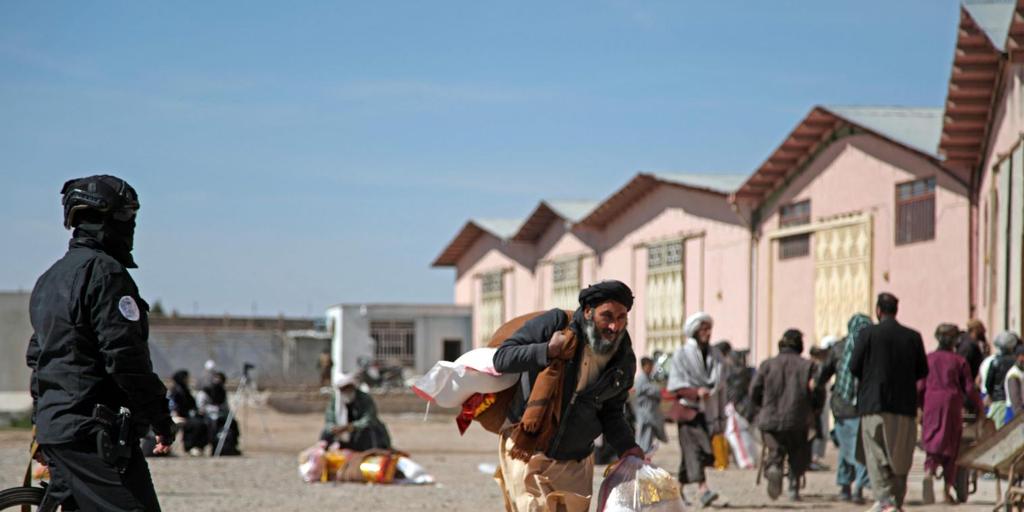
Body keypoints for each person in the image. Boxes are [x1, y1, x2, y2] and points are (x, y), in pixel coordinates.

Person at [25, 175, 173, 511]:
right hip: (93, 435)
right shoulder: (106, 274)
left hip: (58, 429)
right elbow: (124, 358)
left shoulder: (49, 279)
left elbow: (38, 360)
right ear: (109, 219)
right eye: (127, 217)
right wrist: (159, 416)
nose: (131, 227)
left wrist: (42, 423)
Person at [493, 280, 640, 512]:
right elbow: (502, 358)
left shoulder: (622, 359)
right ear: (589, 311)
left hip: (576, 460)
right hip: (528, 447)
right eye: (607, 316)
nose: (614, 326)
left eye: (622, 317)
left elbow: (612, 411)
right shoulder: (556, 323)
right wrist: (546, 350)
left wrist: (627, 447)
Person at [849, 292, 928, 512]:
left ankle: (884, 500)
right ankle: (897, 500)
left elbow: (854, 366)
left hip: (873, 404)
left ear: (878, 311)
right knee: (901, 455)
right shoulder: (913, 336)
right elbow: (922, 370)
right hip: (904, 406)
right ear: (896, 310)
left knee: (875, 453)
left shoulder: (867, 334)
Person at [917, 323, 983, 505]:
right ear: (954, 340)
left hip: (931, 402)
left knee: (932, 441)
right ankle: (946, 491)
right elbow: (969, 388)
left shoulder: (928, 359)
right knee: (951, 447)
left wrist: (919, 406)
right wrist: (979, 407)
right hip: (951, 403)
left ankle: (929, 472)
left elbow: (920, 385)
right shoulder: (959, 361)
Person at [750, 329, 817, 501]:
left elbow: (754, 390)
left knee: (775, 450)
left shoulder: (767, 364)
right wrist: (814, 410)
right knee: (797, 452)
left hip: (770, 418)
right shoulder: (808, 366)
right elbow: (817, 392)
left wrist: (762, 406)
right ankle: (793, 488)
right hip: (798, 419)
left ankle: (774, 467)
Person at [667, 312, 725, 508]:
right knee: (698, 450)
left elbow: (720, 387)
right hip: (687, 412)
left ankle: (677, 488)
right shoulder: (682, 354)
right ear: (694, 331)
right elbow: (675, 384)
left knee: (690, 455)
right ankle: (704, 489)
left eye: (709, 329)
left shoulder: (715, 355)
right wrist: (696, 392)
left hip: (707, 412)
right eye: (703, 329)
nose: (707, 333)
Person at [816, 313, 872, 504]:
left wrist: (815, 384)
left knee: (846, 445)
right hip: (866, 405)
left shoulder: (839, 347)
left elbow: (823, 374)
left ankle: (846, 486)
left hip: (842, 405)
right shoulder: (873, 347)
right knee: (860, 447)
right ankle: (856, 487)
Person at [320, 373, 392, 450]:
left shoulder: (364, 398)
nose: (347, 391)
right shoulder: (336, 400)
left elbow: (368, 419)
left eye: (349, 388)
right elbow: (329, 418)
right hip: (341, 432)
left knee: (369, 430)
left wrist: (350, 427)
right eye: (344, 389)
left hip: (359, 432)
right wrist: (334, 428)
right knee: (326, 432)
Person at [197, 370, 241, 455]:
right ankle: (213, 446)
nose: (217, 381)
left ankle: (230, 447)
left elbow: (225, 406)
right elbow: (201, 407)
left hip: (220, 416)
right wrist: (213, 409)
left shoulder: (222, 392)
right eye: (216, 379)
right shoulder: (205, 392)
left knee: (233, 424)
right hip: (208, 416)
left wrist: (229, 415)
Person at [985, 331, 1020, 429]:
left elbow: (989, 383)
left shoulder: (995, 361)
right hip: (1010, 400)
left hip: (998, 399)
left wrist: (990, 394)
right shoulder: (1015, 362)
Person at [168, 369, 208, 456]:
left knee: (202, 423)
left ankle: (198, 446)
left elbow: (192, 404)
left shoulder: (185, 390)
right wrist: (176, 413)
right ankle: (190, 447)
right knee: (194, 424)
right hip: (179, 416)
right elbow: (172, 404)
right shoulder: (175, 391)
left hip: (187, 415)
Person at [634, 356, 667, 454]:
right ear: (644, 366)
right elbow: (648, 390)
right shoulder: (641, 379)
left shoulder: (648, 379)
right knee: (643, 438)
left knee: (648, 437)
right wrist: (655, 390)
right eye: (649, 366)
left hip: (650, 413)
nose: (651, 368)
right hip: (644, 413)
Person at [1005, 344, 1024, 419]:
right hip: (1015, 414)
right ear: (1020, 357)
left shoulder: (1021, 371)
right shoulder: (1014, 374)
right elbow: (1016, 402)